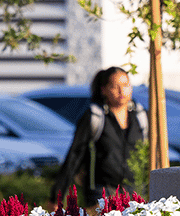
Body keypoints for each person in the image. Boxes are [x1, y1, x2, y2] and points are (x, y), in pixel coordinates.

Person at [52, 66, 147, 206]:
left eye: (126, 85)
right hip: (101, 192)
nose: (122, 91)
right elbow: (75, 155)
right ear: (103, 90)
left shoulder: (141, 116)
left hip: (135, 191)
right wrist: (56, 196)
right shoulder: (95, 116)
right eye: (115, 86)